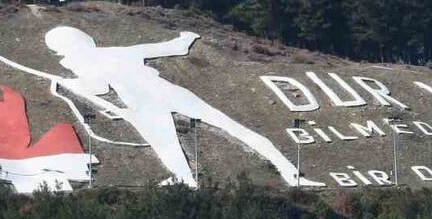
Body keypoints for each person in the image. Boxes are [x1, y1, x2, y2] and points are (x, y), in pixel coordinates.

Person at [44, 26, 322, 188]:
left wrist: (72, 84)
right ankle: (291, 173)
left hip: (145, 103)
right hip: (162, 93)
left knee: (172, 146)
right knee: (231, 129)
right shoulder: (116, 52)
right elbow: (173, 48)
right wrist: (186, 37)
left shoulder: (88, 62)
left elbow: (100, 89)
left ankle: (187, 182)